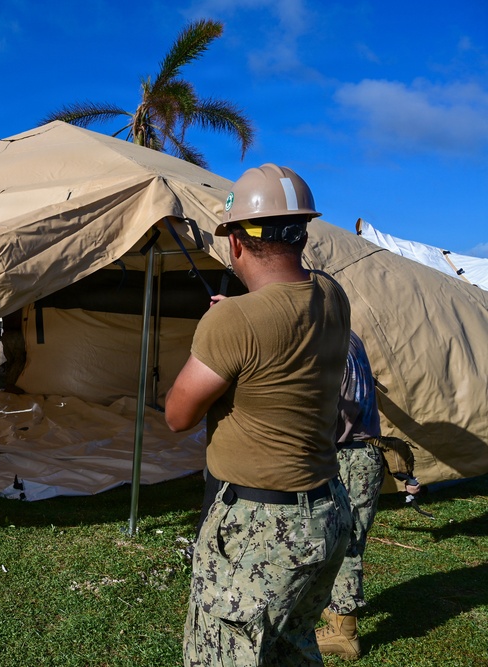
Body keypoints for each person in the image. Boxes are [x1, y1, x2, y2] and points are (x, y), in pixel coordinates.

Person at [165, 163, 352, 666]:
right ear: (302, 233)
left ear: (235, 243)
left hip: (259, 527)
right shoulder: (333, 296)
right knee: (291, 649)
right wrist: (238, 319)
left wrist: (219, 325)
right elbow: (285, 321)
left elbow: (178, 415)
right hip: (324, 511)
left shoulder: (233, 320)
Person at [317, 330, 421, 660]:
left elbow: (333, 406)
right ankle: (335, 607)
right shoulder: (348, 336)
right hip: (359, 453)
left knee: (344, 543)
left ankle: (344, 633)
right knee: (335, 537)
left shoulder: (327, 342)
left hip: (348, 455)